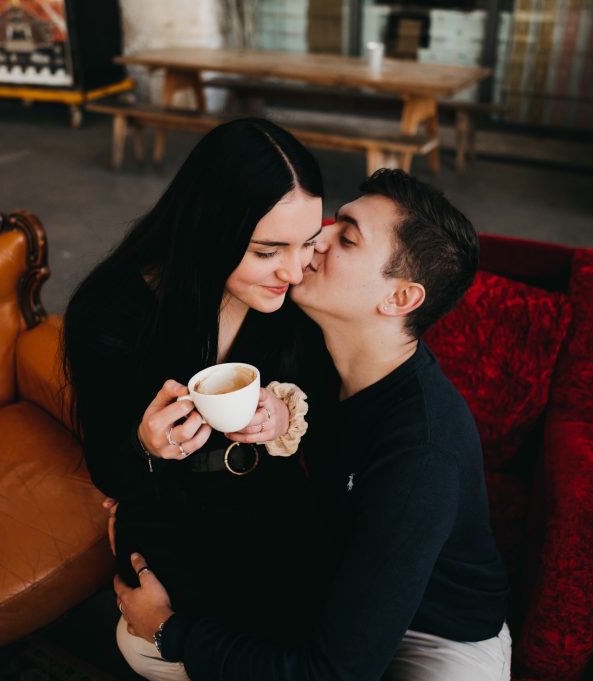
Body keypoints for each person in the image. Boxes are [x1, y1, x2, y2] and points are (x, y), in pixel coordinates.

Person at [114, 169, 512, 681]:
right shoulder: (313, 340)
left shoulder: (421, 455)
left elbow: (335, 673)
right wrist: (141, 493)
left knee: (160, 642)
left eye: (345, 238)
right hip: (334, 586)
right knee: (135, 643)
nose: (315, 238)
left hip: (438, 634)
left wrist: (171, 629)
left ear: (399, 299)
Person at [62, 118, 334, 680]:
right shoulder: (115, 310)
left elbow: (333, 405)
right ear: (211, 229)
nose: (293, 269)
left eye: (307, 242)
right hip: (171, 516)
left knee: (310, 633)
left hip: (270, 504)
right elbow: (110, 469)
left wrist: (287, 414)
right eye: (267, 250)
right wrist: (145, 446)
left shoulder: (297, 294)